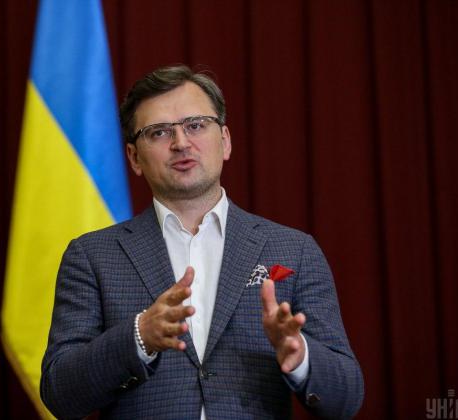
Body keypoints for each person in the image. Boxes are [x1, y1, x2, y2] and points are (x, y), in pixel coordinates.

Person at [40, 65, 364, 419]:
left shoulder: (294, 250)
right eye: (159, 132)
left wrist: (300, 355)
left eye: (195, 125)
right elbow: (60, 394)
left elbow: (346, 399)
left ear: (225, 141)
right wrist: (139, 336)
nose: (181, 143)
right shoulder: (92, 256)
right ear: (134, 157)